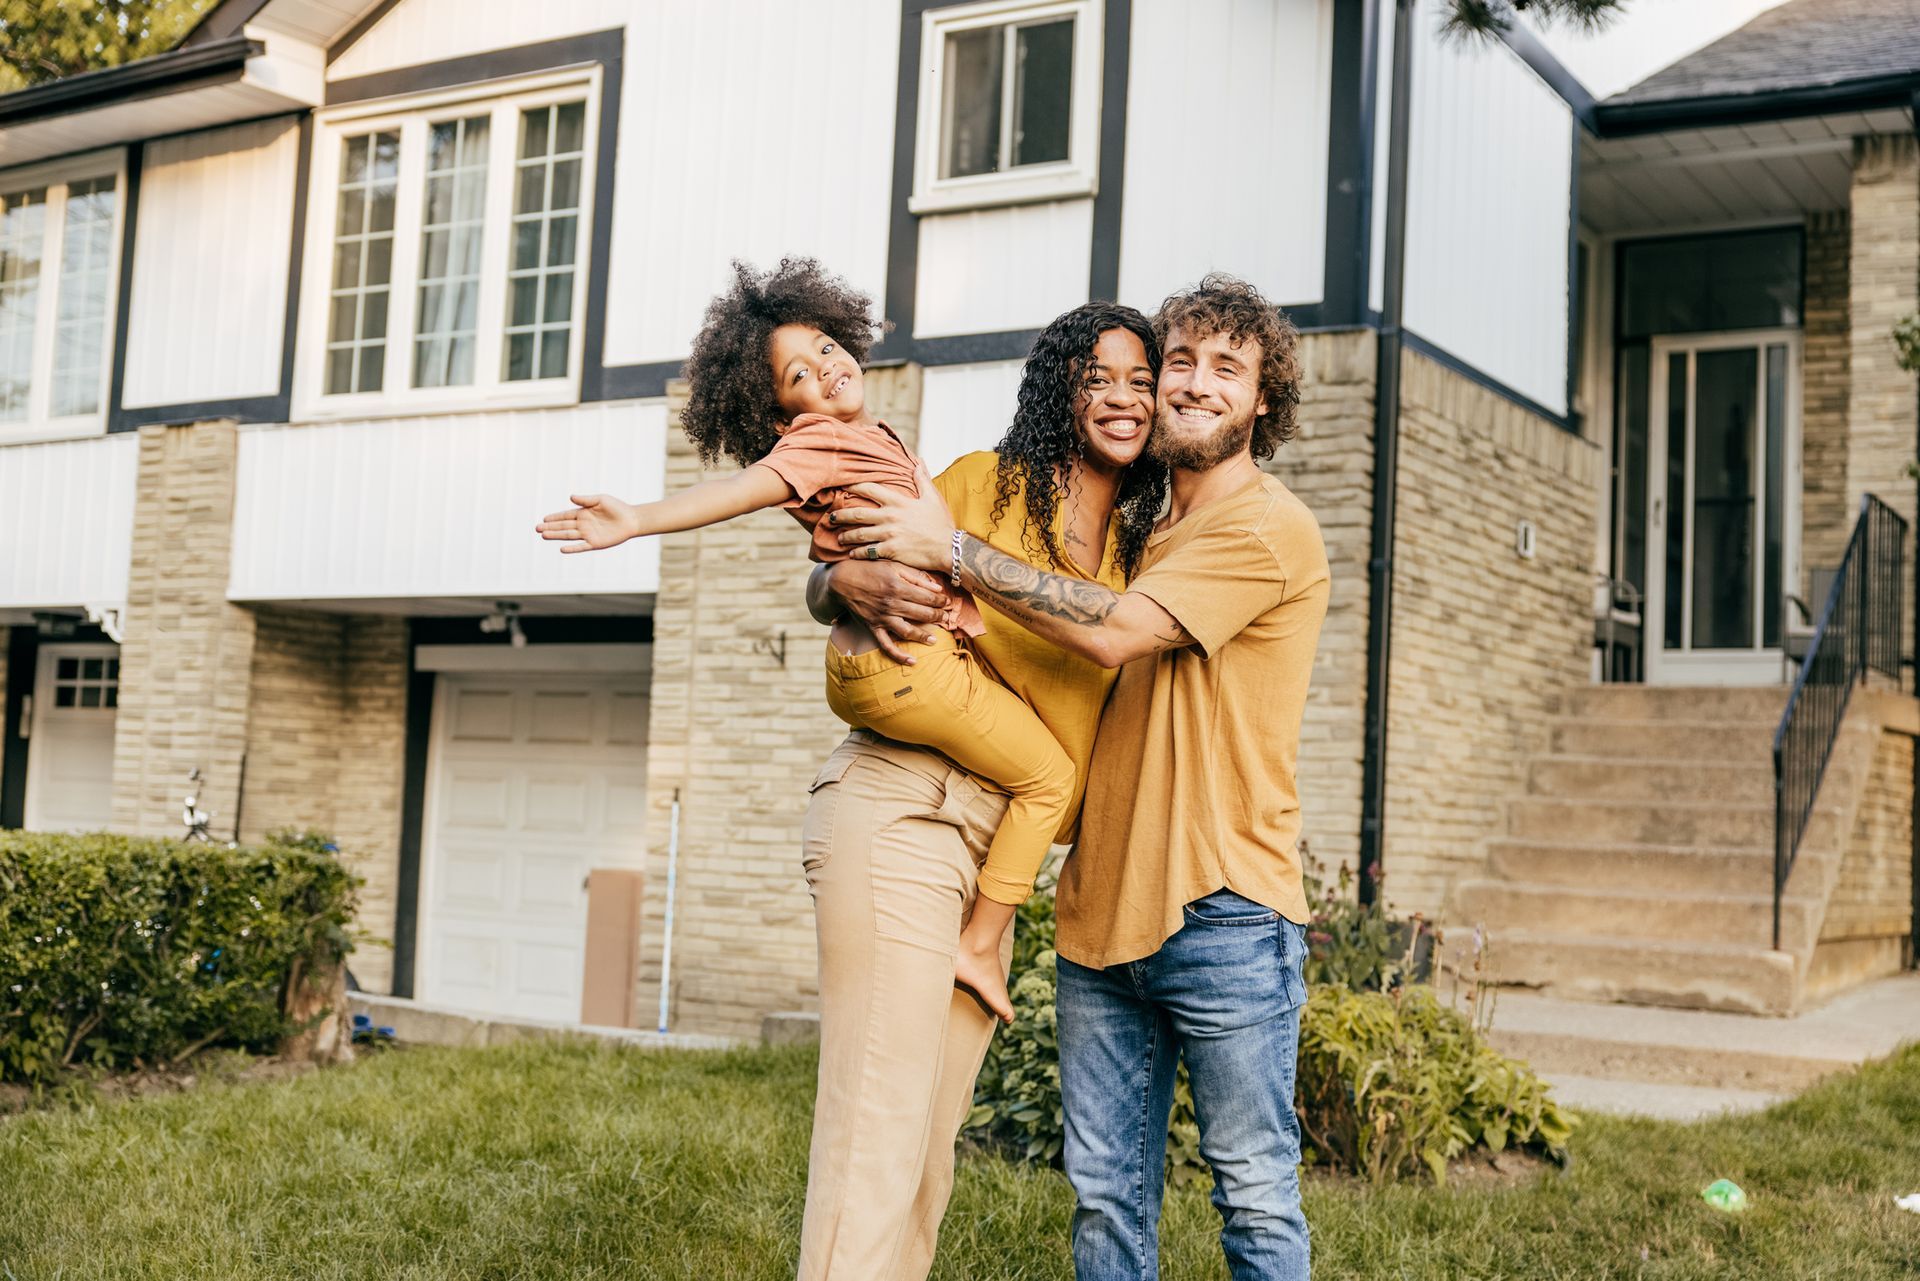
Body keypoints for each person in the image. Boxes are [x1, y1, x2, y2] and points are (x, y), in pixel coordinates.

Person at [832, 273, 1329, 1281]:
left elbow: (1113, 635)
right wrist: (840, 577)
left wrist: (954, 554)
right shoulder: (1139, 533)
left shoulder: (1266, 526)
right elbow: (883, 552)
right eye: (1179, 361)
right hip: (1100, 911)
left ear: (1263, 398)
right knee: (1105, 1198)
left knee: (1254, 1193)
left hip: (1226, 909)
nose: (1192, 384)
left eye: (1226, 369)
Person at [536, 257, 1081, 1022]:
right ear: (778, 416)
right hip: (908, 668)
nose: (824, 368)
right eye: (798, 374)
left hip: (880, 666)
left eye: (826, 346)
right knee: (1051, 777)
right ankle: (980, 944)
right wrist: (638, 519)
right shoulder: (814, 443)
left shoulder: (870, 436)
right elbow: (738, 491)